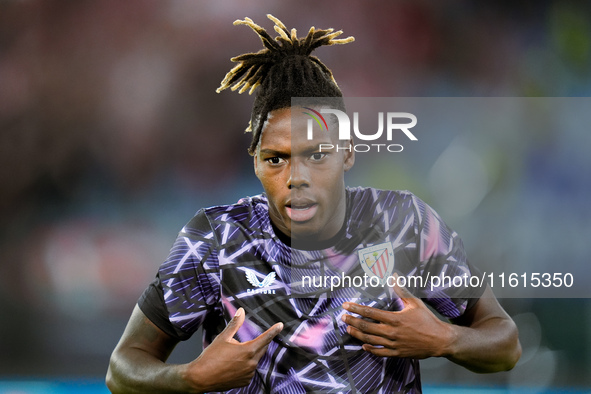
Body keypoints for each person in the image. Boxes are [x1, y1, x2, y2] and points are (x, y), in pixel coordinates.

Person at [106, 15, 521, 393]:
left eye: (316, 155)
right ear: (255, 161)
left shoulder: (404, 224)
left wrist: (443, 339)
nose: (295, 177)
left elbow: (505, 344)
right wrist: (191, 377)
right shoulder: (215, 240)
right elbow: (122, 369)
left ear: (348, 153)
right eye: (275, 159)